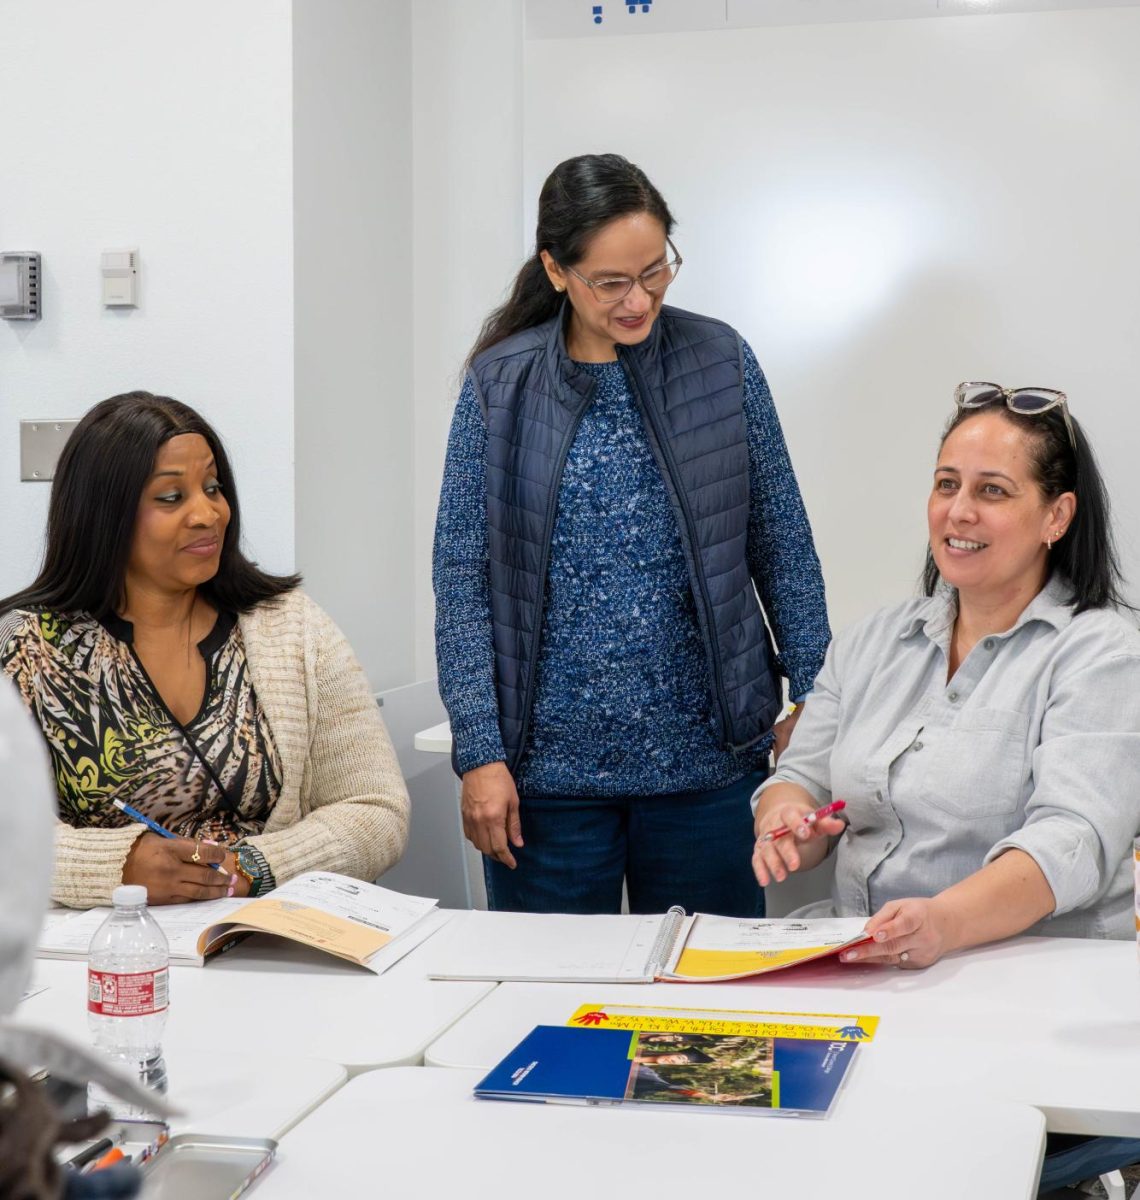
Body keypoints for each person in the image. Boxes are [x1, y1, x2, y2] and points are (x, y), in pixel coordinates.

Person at [433, 152, 830, 916]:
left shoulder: (720, 362)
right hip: (545, 790)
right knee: (545, 1006)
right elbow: (463, 583)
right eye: (611, 282)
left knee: (705, 1011)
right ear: (556, 270)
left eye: (655, 271)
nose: (638, 299)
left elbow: (781, 542)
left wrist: (811, 699)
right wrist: (479, 753)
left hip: (711, 775)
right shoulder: (500, 385)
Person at [752, 382, 1140, 963]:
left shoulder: (1101, 656)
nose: (959, 511)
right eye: (947, 484)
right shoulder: (870, 641)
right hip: (859, 955)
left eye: (993, 491)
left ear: (1056, 516)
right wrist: (785, 820)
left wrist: (943, 922)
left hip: (1025, 973)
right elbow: (801, 777)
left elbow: (1073, 842)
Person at [0, 392, 409, 909]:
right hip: (105, 955)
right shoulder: (26, 645)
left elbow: (376, 809)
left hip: (265, 939)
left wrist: (255, 867)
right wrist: (117, 866)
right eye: (171, 498)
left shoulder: (292, 628)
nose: (208, 513)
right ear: (103, 513)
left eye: (213, 488)